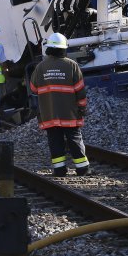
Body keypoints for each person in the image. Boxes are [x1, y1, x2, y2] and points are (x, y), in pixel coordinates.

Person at [30, 33, 91, 176]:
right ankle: (83, 168)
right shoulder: (72, 65)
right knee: (74, 139)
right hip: (69, 112)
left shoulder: (40, 67)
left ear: (49, 48)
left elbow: (33, 88)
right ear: (63, 49)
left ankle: (59, 169)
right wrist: (82, 107)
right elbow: (80, 90)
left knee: (54, 140)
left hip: (49, 113)